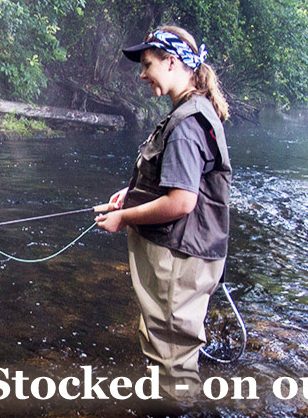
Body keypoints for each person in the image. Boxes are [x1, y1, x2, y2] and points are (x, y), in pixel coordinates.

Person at [94, 25, 232, 406]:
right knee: (167, 348)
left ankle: (175, 410)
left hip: (180, 260)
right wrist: (133, 193)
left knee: (171, 362)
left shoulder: (187, 124)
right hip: (184, 257)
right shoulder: (192, 112)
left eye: (147, 64)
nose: (142, 74)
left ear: (171, 63)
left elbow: (182, 202)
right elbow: (178, 182)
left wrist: (124, 217)